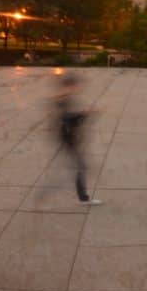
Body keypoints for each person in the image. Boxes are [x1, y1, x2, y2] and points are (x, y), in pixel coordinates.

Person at [54, 71, 101, 205]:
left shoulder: (64, 98)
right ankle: (83, 198)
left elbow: (69, 118)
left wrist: (83, 115)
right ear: (69, 85)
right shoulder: (62, 99)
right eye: (75, 85)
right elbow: (67, 119)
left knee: (80, 167)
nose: (77, 88)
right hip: (68, 139)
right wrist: (84, 114)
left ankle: (82, 197)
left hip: (69, 138)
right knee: (80, 167)